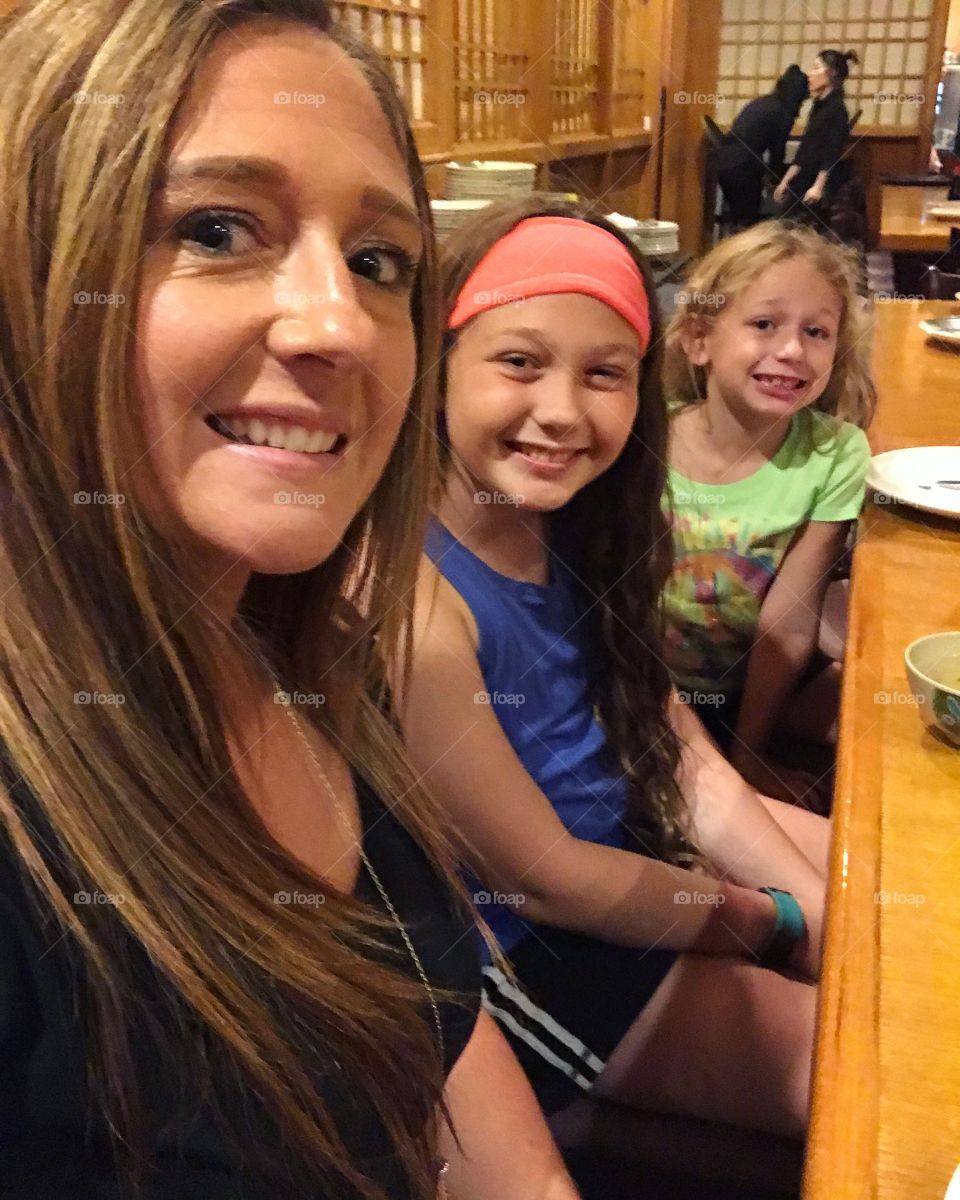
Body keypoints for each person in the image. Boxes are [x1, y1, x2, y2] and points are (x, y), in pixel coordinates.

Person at [0, 2, 581, 1197]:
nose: (341, 328)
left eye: (379, 263)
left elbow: (438, 1051)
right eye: (217, 228)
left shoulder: (299, 648)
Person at [400, 196, 831, 1142]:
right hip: (531, 951)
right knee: (861, 1066)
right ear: (438, 366)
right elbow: (545, 879)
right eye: (518, 360)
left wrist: (822, 906)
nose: (560, 411)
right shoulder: (414, 606)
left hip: (633, 848)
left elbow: (677, 745)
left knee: (900, 889)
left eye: (605, 374)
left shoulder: (581, 527)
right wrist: (775, 924)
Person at [661, 222, 875, 808]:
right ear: (699, 339)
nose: (791, 351)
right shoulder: (646, 436)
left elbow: (788, 622)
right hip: (645, 689)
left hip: (752, 694)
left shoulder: (836, 453)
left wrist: (748, 758)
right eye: (763, 324)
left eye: (816, 332)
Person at [715, 65, 809, 229]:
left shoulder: (762, 102)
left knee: (738, 218)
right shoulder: (783, 112)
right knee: (749, 221)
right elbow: (777, 152)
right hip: (743, 165)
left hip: (723, 160)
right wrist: (778, 183)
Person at [774, 50, 859, 227]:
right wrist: (785, 180)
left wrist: (818, 187)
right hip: (804, 176)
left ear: (831, 74)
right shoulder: (818, 106)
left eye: (816, 68)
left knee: (798, 230)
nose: (810, 75)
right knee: (785, 227)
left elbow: (831, 151)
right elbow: (805, 148)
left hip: (819, 180)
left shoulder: (837, 110)